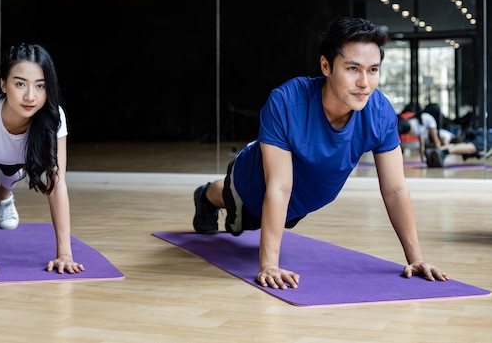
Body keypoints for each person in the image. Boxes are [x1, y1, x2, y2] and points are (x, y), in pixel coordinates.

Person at [192, 17, 449, 290]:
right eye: (353, 69)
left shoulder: (379, 112)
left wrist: (416, 259)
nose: (364, 82)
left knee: (269, 216)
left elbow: (395, 188)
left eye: (373, 70)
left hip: (300, 200)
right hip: (254, 184)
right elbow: (278, 187)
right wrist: (268, 265)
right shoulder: (287, 101)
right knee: (233, 201)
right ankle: (205, 196)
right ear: (326, 65)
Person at [0, 43, 85, 278]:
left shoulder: (53, 118)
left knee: (10, 178)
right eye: (20, 84)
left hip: (16, 160)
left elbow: (57, 185)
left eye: (40, 86)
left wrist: (65, 254)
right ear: (4, 84)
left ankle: (4, 196)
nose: (30, 96)